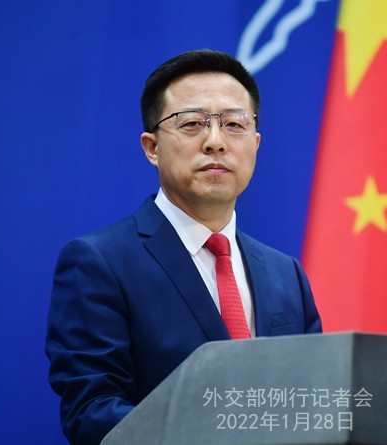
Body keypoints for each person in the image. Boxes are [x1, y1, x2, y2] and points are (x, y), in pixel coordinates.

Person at [45, 49, 322, 445]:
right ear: (151, 147)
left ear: (256, 142)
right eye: (192, 124)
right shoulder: (99, 262)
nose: (216, 142)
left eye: (234, 125)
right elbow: (93, 412)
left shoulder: (286, 273)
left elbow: (312, 400)